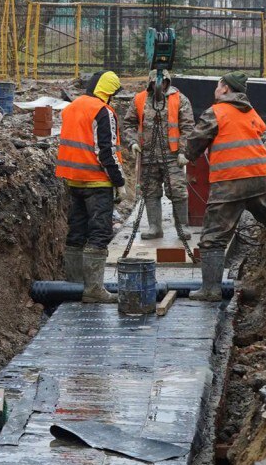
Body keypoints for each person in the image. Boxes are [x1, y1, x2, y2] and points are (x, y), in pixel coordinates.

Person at [185, 71, 266, 301]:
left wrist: (187, 155)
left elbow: (196, 140)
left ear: (226, 89)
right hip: (259, 175)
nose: (215, 89)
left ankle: (210, 290)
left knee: (213, 236)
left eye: (218, 85)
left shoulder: (216, 111)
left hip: (230, 179)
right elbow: (259, 129)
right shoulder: (250, 110)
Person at [55, 71, 127, 303]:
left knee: (76, 232)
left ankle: (74, 286)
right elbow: (105, 151)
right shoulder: (102, 111)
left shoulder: (72, 106)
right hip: (97, 182)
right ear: (108, 92)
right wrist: (119, 181)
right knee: (99, 233)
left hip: (73, 180)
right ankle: (94, 289)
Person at [123, 69, 195, 240]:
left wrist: (184, 151)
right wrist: (133, 142)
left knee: (177, 190)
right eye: (155, 83)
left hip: (172, 155)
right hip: (148, 155)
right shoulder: (139, 99)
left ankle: (182, 227)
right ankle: (155, 227)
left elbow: (188, 127)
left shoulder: (179, 99)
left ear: (167, 82)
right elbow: (129, 123)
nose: (158, 86)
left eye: (161, 82)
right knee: (150, 191)